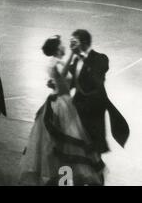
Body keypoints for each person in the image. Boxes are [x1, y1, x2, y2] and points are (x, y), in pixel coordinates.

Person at [19, 36, 105, 186]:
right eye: (62, 45)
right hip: (61, 104)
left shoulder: (55, 63)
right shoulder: (57, 63)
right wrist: (72, 54)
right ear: (58, 48)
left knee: (59, 142)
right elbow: (63, 75)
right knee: (65, 140)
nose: (65, 47)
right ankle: (63, 176)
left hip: (61, 100)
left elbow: (56, 80)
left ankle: (62, 175)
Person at [69, 30, 129, 156]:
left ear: (84, 42)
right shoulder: (75, 61)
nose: (71, 46)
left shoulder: (100, 58)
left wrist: (82, 59)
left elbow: (95, 76)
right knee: (78, 145)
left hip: (94, 109)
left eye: (74, 42)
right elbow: (73, 83)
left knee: (94, 146)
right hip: (78, 108)